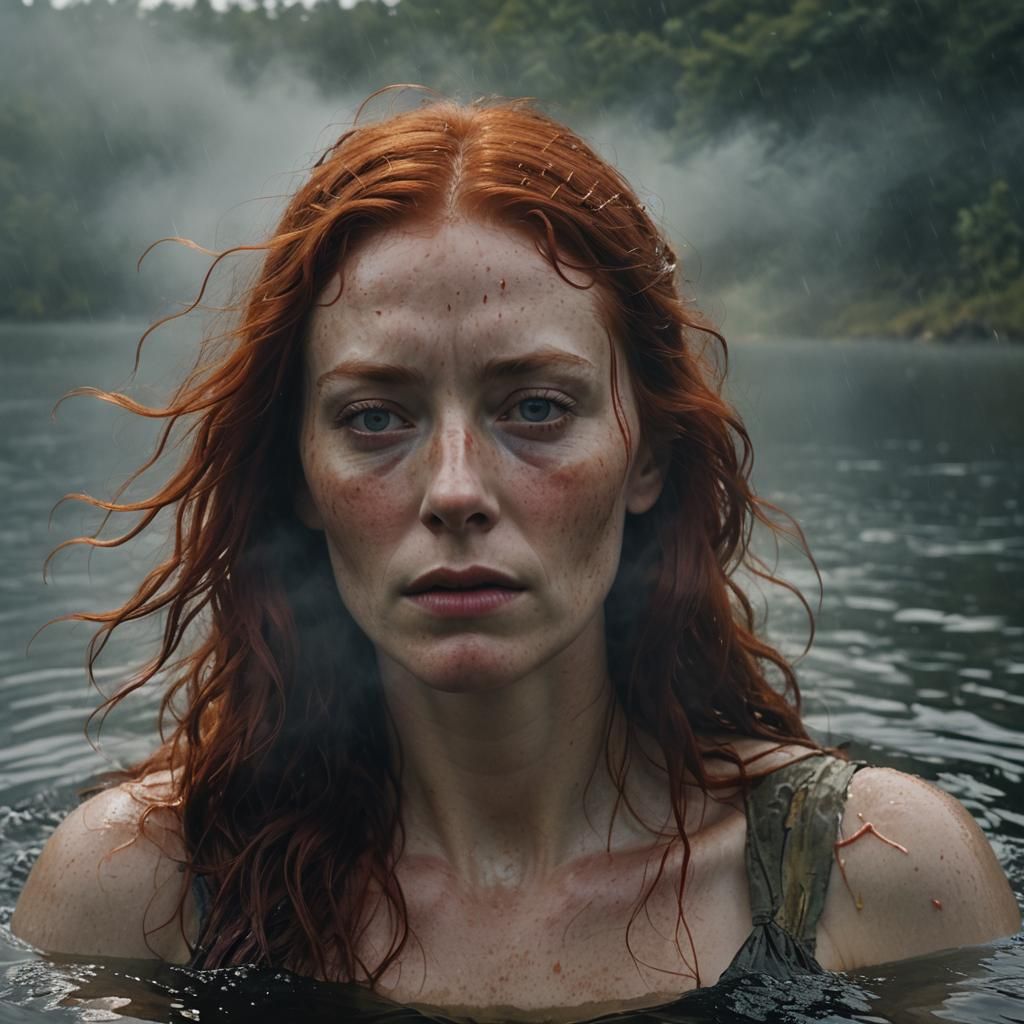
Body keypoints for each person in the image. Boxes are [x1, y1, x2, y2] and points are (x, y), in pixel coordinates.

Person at [11, 93, 1020, 1020]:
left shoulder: (874, 878)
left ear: (647, 457)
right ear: (296, 479)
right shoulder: (138, 894)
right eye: (374, 417)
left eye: (535, 407)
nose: (455, 490)